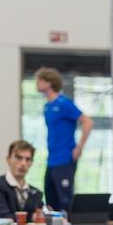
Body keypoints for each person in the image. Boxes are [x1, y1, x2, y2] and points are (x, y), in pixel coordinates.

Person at [35, 67, 93, 212]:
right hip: (52, 160)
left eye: (40, 80)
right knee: (50, 200)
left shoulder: (63, 103)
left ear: (49, 83)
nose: (37, 83)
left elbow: (87, 121)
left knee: (65, 201)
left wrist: (79, 147)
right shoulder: (48, 106)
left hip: (65, 159)